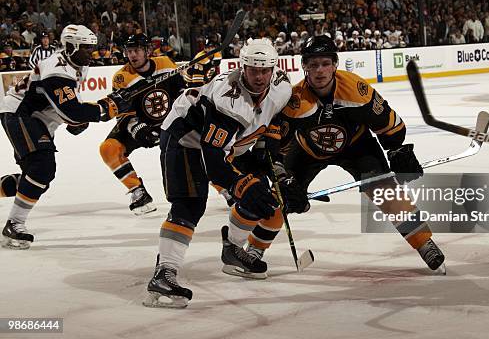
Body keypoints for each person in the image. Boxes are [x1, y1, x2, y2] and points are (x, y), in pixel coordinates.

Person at [233, 35, 445, 279]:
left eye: (325, 63)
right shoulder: (294, 100)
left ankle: (424, 243)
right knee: (279, 198)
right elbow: (273, 145)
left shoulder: (356, 90)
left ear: (335, 64)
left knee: (385, 190)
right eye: (313, 64)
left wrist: (397, 150)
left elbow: (388, 123)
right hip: (307, 150)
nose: (319, 70)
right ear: (304, 67)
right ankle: (255, 249)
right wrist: (283, 177)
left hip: (357, 147)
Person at [142, 38, 292, 308]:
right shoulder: (227, 100)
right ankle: (164, 273)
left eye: (265, 70)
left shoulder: (281, 86)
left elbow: (275, 119)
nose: (259, 77)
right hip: (185, 136)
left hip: (235, 140)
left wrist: (273, 157)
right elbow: (214, 163)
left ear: (274, 68)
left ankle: (233, 250)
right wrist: (240, 184)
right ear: (242, 67)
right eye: (253, 70)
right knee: (190, 203)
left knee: (257, 190)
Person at [0, 24, 131, 249]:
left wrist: (78, 119)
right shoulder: (56, 69)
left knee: (38, 179)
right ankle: (14, 223)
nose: (92, 53)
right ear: (71, 47)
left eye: (92, 48)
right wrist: (106, 109)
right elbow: (71, 111)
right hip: (20, 112)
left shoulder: (77, 65)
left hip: (37, 118)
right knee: (42, 168)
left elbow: (69, 109)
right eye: (87, 49)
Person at [98, 33, 202, 215]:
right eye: (129, 51)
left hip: (169, 120)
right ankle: (138, 191)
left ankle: (225, 187)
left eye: (136, 50)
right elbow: (124, 114)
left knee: (204, 143)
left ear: (147, 51)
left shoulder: (165, 64)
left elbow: (181, 95)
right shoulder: (122, 78)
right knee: (109, 148)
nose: (132, 55)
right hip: (140, 123)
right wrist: (138, 130)